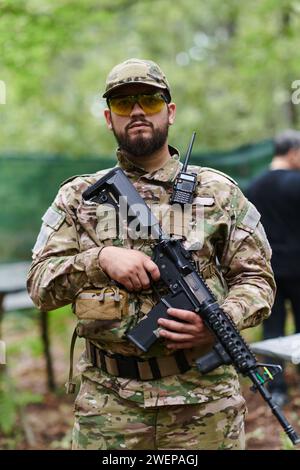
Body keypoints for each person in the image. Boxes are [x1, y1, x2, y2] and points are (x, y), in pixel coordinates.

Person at [27, 58, 275, 450]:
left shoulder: (220, 193)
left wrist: (221, 320)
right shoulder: (77, 197)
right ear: (110, 118)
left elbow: (258, 280)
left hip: (205, 405)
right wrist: (100, 258)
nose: (138, 111)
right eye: (124, 104)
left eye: (150, 100)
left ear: (170, 112)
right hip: (108, 406)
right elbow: (40, 286)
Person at [247, 129, 300, 407]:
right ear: (293, 152)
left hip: (269, 272)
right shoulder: (297, 182)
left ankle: (276, 388)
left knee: (273, 332)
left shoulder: (254, 187)